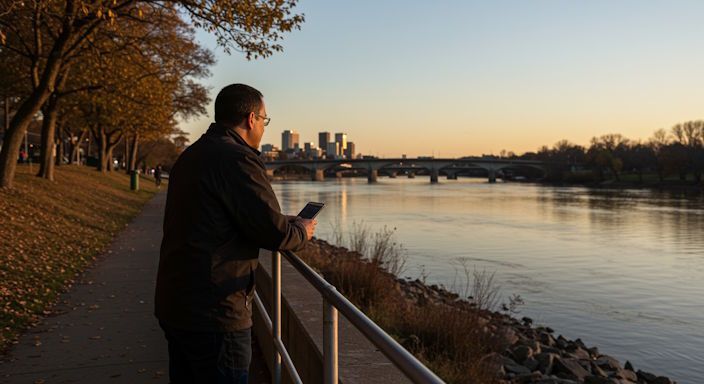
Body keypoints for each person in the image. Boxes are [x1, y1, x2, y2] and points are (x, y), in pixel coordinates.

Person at [155, 84, 317, 384]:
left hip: (176, 303)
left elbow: (217, 215)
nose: (264, 128)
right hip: (215, 312)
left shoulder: (193, 154)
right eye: (265, 121)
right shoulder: (238, 158)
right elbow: (275, 235)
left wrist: (279, 219)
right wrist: (301, 232)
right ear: (251, 118)